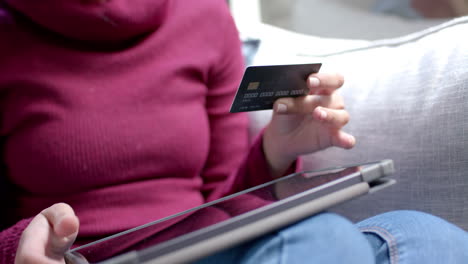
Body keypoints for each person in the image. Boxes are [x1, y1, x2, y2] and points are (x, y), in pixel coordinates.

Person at [0, 0, 467, 264]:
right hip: (95, 259)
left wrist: (274, 152)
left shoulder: (202, 13)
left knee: (426, 237)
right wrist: (18, 247)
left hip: (202, 247)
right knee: (321, 241)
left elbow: (220, 205)